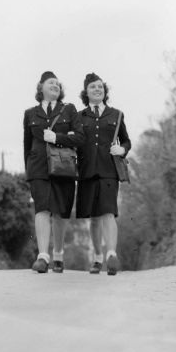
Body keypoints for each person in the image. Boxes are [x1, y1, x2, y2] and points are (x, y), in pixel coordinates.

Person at [23, 71, 84, 273]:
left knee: (61, 211)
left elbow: (80, 139)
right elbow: (27, 146)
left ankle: (58, 253)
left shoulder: (69, 109)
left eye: (58, 84)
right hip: (38, 167)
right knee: (42, 208)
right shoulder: (30, 114)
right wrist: (29, 173)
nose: (56, 86)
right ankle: (43, 256)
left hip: (63, 167)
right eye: (51, 83)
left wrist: (57, 137)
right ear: (41, 87)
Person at [76, 73, 131, 275]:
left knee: (108, 212)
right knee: (94, 217)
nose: (97, 90)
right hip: (86, 172)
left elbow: (126, 141)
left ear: (105, 91)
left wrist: (122, 150)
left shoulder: (116, 115)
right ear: (86, 92)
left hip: (109, 171)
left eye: (100, 87)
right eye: (93, 87)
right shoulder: (79, 117)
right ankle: (98, 257)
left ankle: (111, 255)